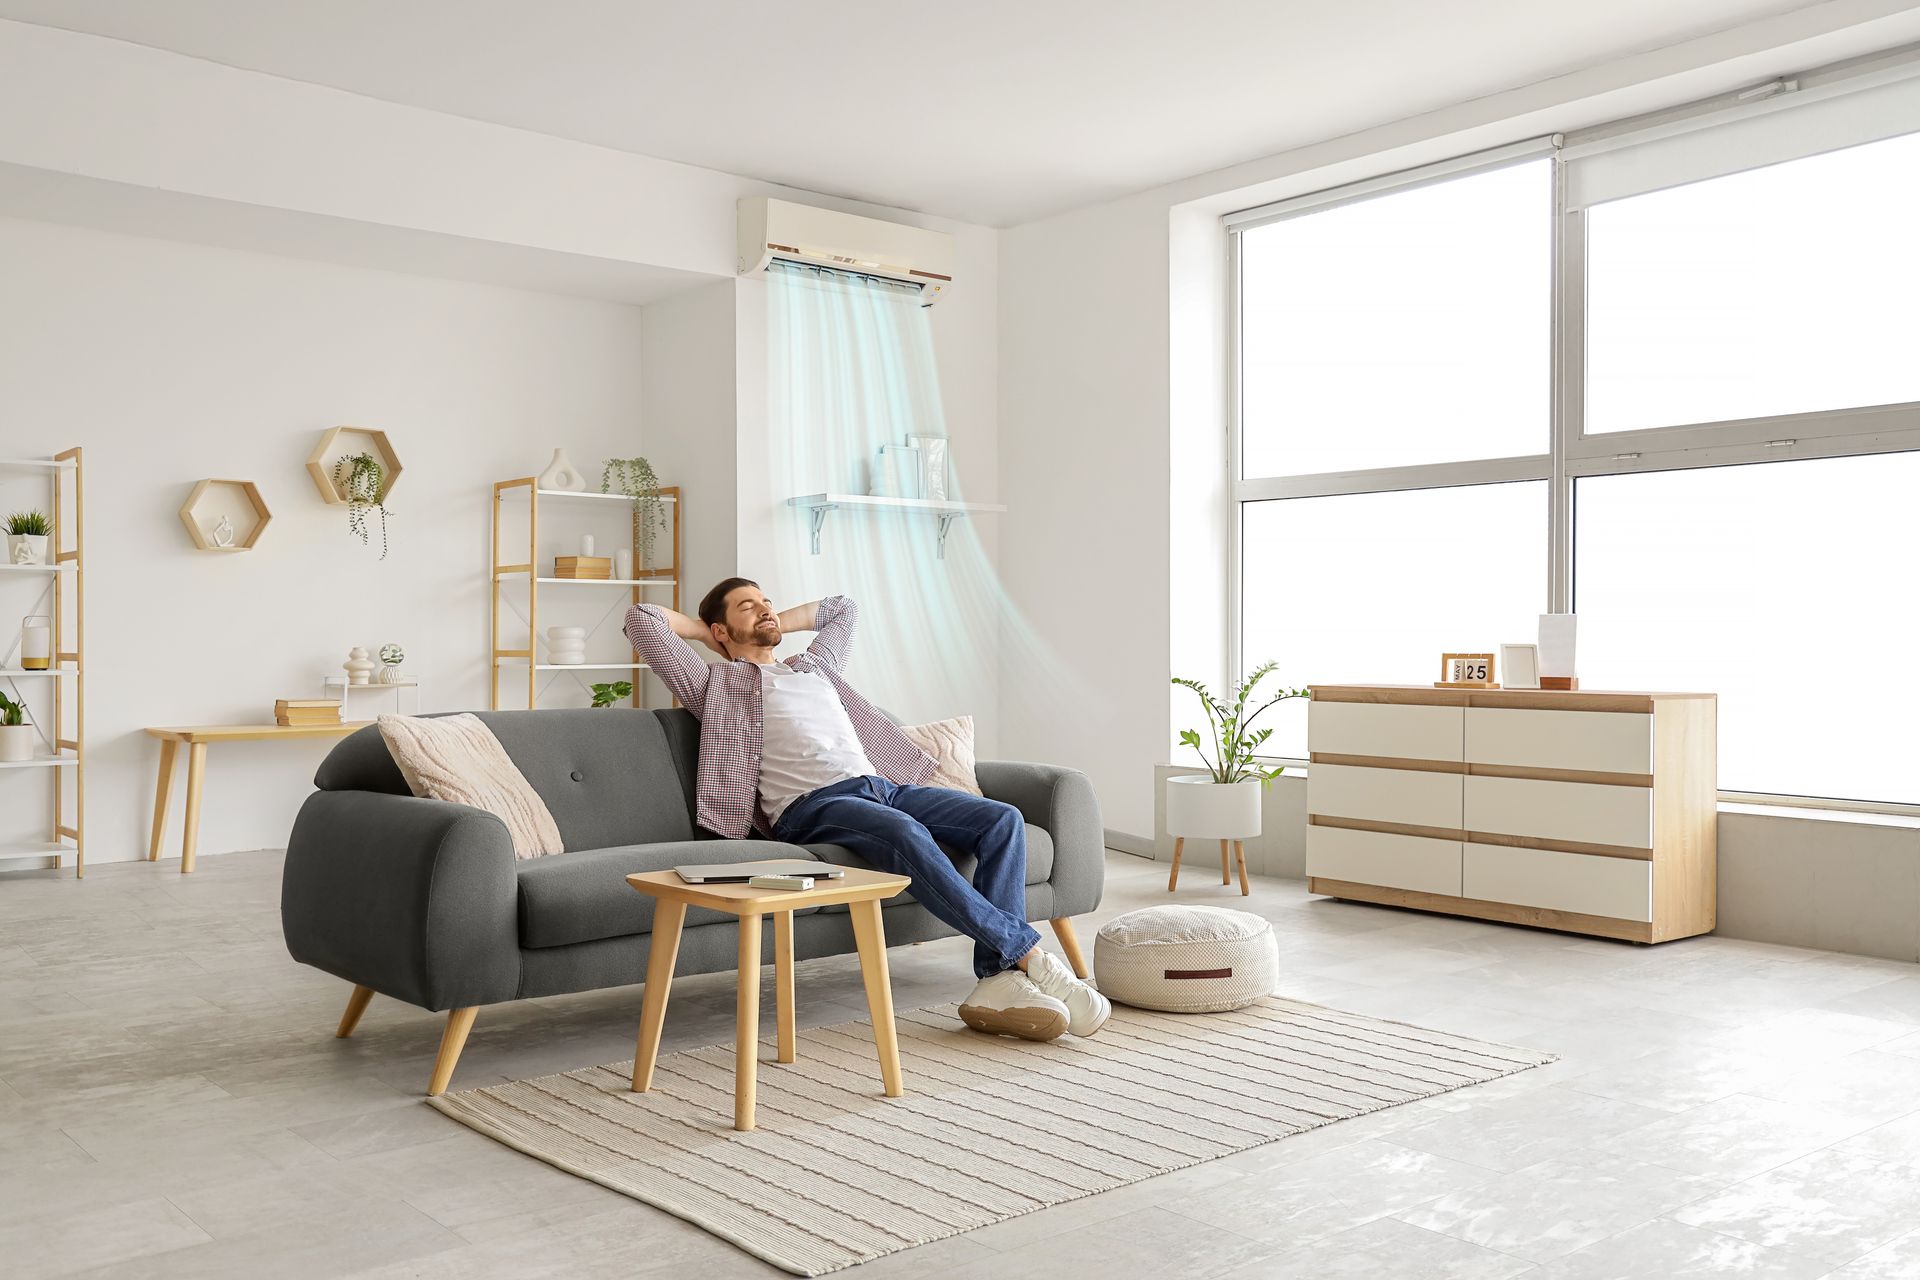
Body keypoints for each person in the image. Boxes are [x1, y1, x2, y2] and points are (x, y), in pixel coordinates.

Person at [624, 578, 1108, 1042]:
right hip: (812, 805)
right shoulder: (713, 681)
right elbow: (643, 620)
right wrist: (705, 632)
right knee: (903, 832)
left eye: (767, 600)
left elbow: (843, 608)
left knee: (1001, 820)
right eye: (747, 606)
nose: (766, 608)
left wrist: (769, 618)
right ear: (721, 631)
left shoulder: (814, 665)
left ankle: (998, 978)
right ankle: (1032, 958)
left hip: (882, 788)